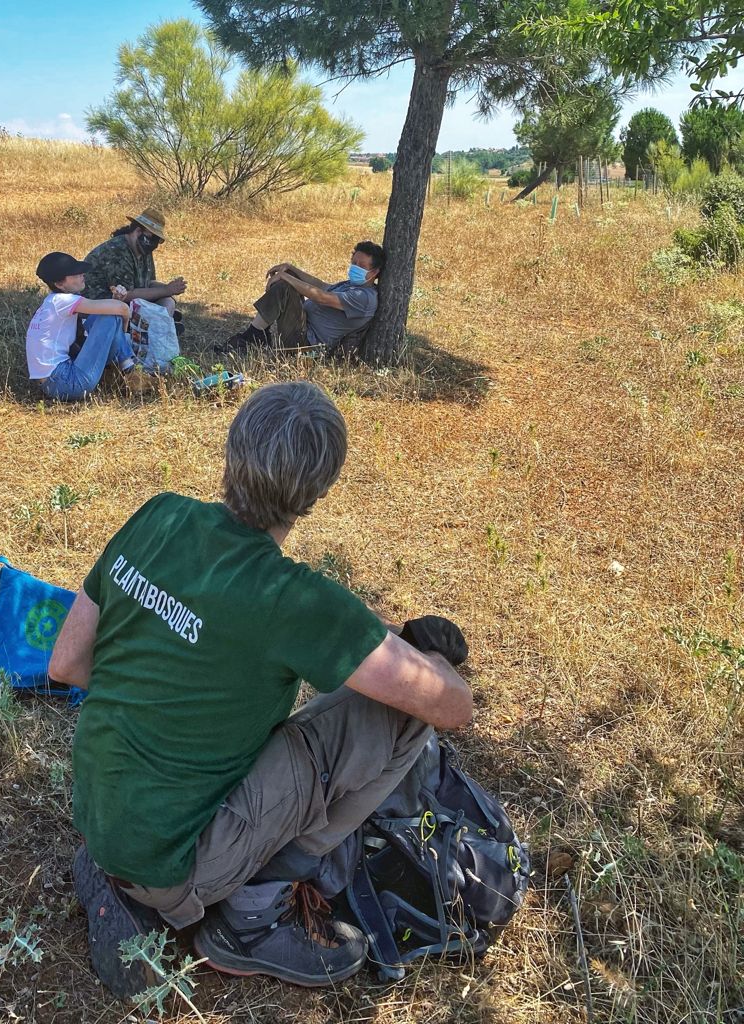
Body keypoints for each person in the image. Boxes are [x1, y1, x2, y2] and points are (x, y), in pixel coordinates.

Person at [49, 380, 473, 994]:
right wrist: (427, 658)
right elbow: (450, 705)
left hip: (100, 816)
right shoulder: (293, 599)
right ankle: (253, 915)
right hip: (176, 864)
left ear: (230, 451)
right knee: (403, 718)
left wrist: (168, 694)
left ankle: (147, 881)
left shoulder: (158, 517)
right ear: (316, 494)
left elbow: (66, 663)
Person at [219, 241, 385, 355]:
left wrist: (286, 278)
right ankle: (257, 334)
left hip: (305, 344)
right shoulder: (351, 285)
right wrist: (291, 269)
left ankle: (252, 336)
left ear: (375, 272)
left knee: (285, 286)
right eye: (353, 263)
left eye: (362, 266)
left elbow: (323, 298)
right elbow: (321, 285)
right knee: (289, 277)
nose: (355, 268)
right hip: (303, 326)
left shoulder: (364, 297)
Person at [26, 251, 150, 400]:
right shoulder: (63, 301)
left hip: (53, 383)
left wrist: (115, 300)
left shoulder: (51, 302)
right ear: (59, 284)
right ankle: (130, 371)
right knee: (111, 317)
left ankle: (118, 371)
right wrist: (123, 326)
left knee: (102, 315)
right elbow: (121, 310)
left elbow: (99, 316)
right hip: (66, 382)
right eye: (75, 274)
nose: (82, 274)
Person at [83, 208, 187, 327]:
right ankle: (160, 328)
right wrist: (166, 290)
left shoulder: (142, 250)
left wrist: (171, 289)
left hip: (124, 303)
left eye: (157, 241)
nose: (154, 244)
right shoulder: (117, 252)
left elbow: (148, 283)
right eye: (152, 238)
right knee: (163, 301)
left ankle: (162, 325)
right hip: (99, 306)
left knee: (167, 300)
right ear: (138, 231)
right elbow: (126, 294)